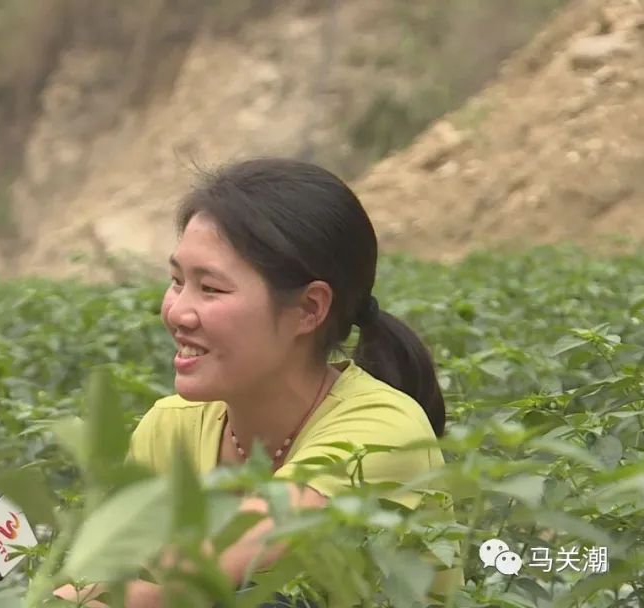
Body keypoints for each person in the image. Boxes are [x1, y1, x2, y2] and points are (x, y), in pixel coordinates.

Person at [54, 157, 464, 607]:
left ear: (309, 308)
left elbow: (199, 565)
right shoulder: (168, 428)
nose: (177, 312)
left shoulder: (386, 432)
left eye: (210, 288)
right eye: (176, 281)